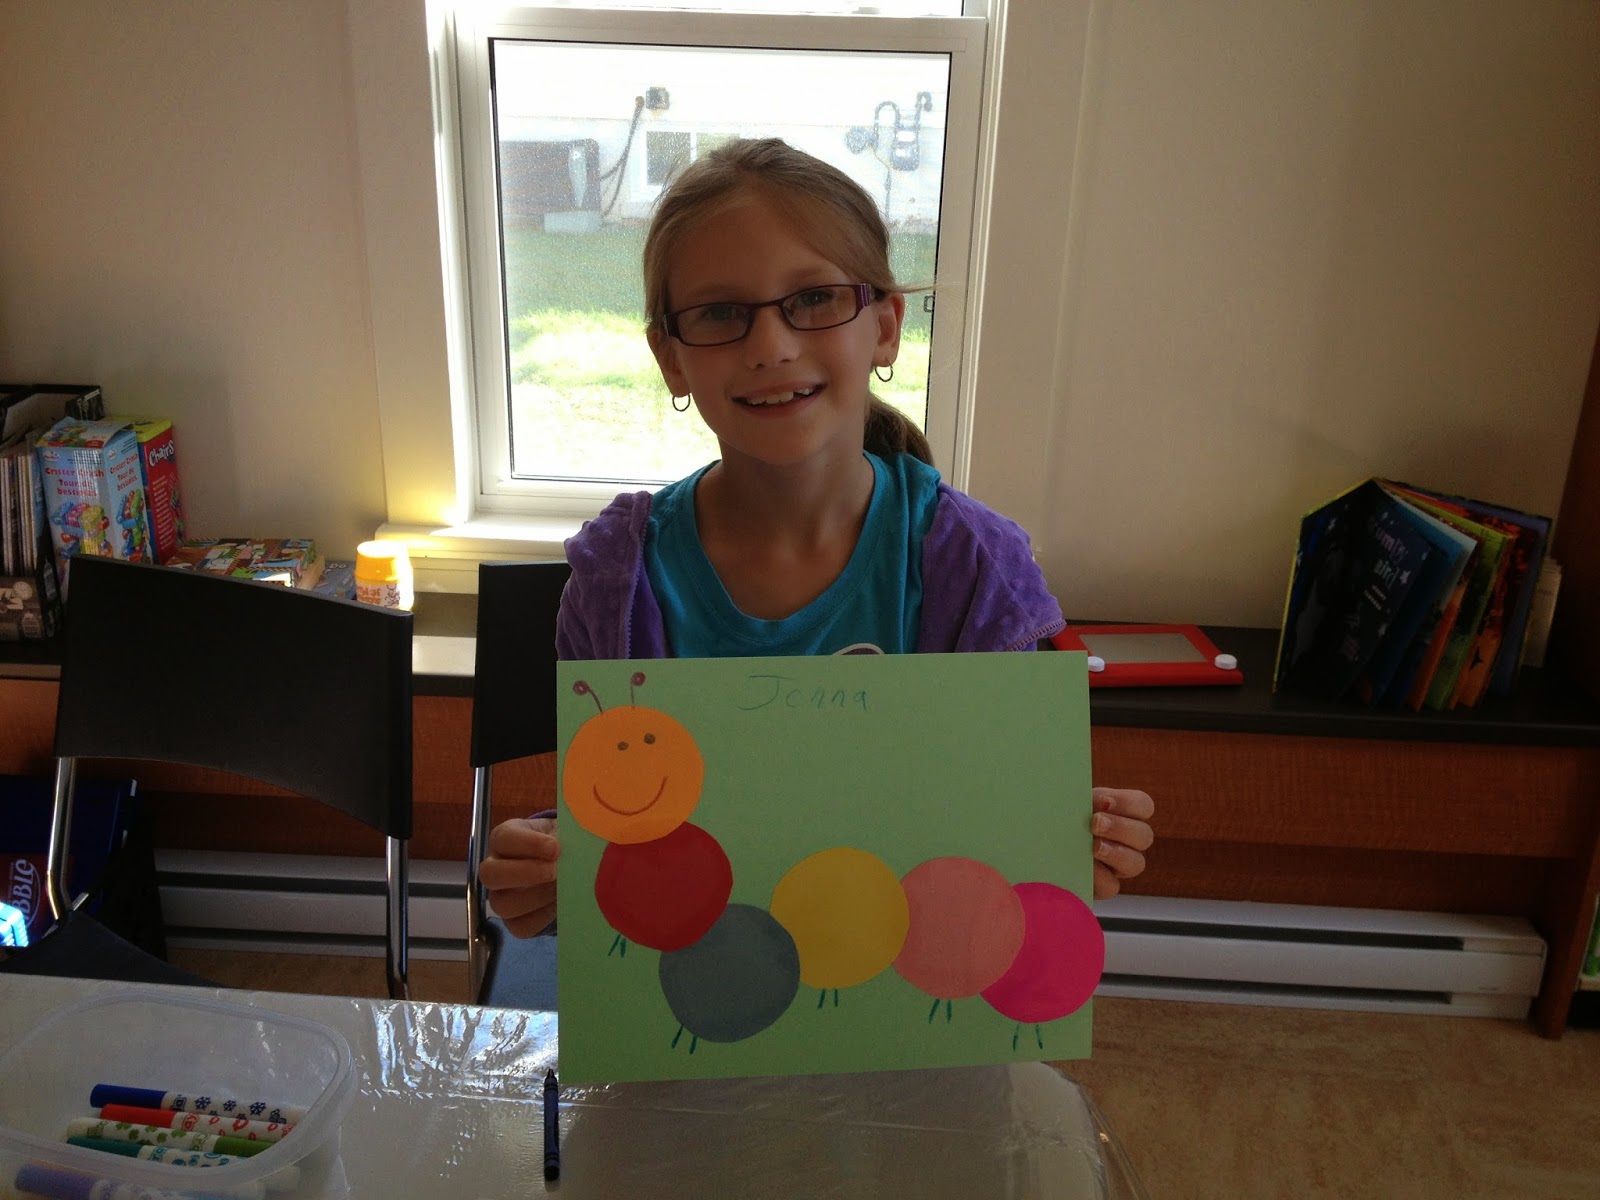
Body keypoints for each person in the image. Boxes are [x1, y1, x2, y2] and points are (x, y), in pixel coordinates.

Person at [480, 138, 1154, 941]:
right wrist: (549, 866)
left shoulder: (974, 569)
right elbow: (617, 821)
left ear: (886, 327)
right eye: (720, 313)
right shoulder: (619, 584)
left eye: (816, 298)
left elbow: (1000, 823)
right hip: (694, 993)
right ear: (671, 358)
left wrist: (1074, 840)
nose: (771, 346)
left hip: (907, 990)